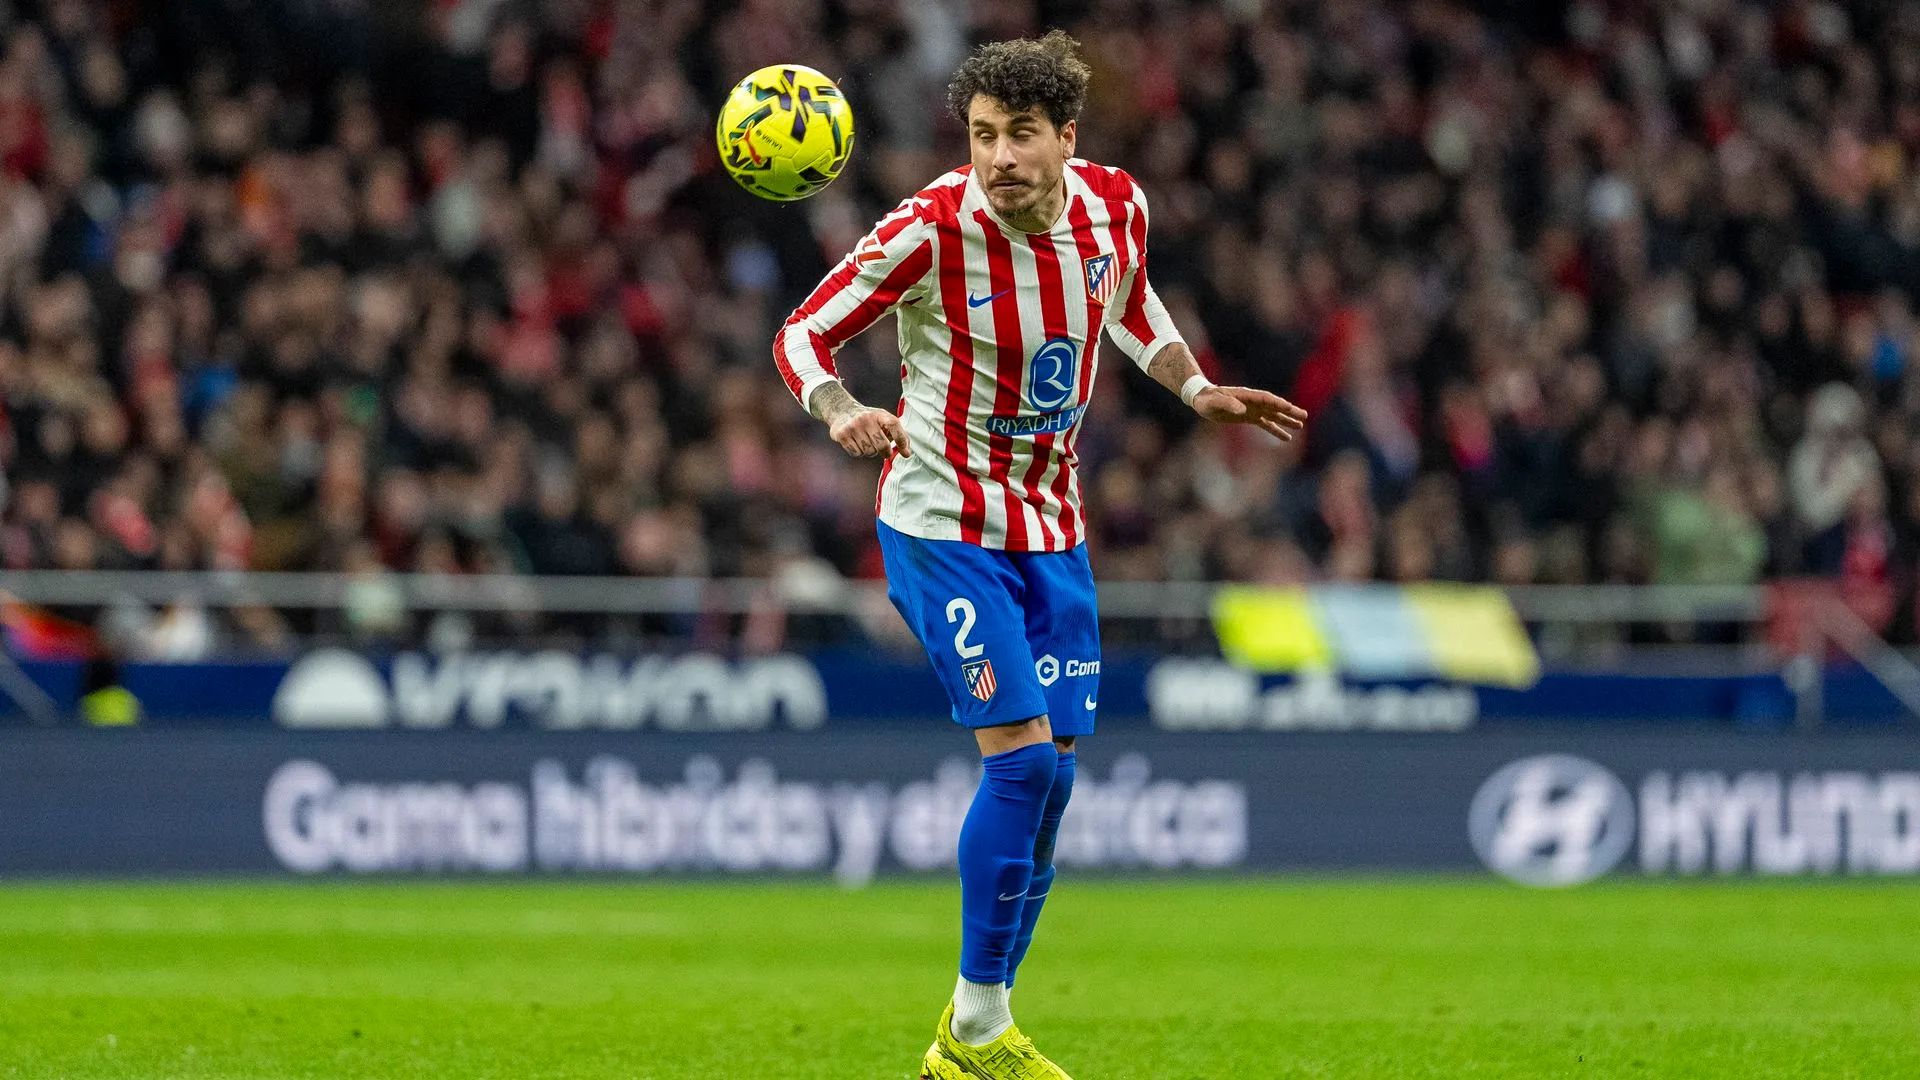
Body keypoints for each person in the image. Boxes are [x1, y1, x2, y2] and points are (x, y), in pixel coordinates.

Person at [772, 31, 1306, 1079]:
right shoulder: (930, 229)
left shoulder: (1116, 205)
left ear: (1066, 136)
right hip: (942, 524)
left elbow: (1129, 300)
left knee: (1053, 782)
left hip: (1052, 530)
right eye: (982, 136)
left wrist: (1196, 386)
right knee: (1018, 761)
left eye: (1020, 134)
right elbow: (801, 332)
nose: (999, 157)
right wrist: (837, 408)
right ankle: (979, 1026)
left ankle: (968, 1038)